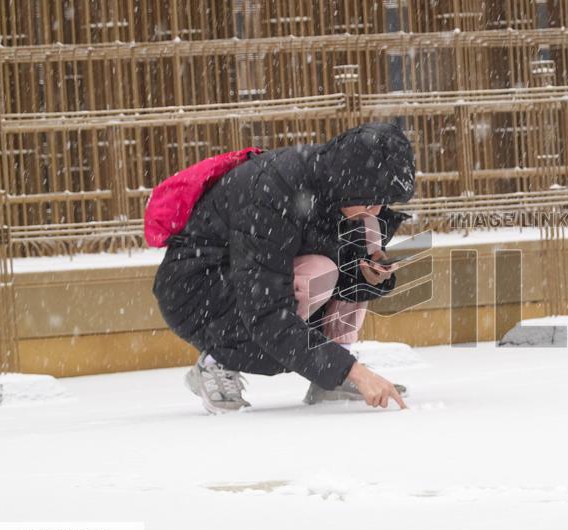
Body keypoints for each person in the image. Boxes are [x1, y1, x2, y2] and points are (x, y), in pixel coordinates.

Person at [152, 123, 414, 414]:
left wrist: (369, 274)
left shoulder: (338, 192)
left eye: (383, 201)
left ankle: (332, 379)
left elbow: (344, 273)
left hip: (255, 284)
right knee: (319, 272)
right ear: (349, 183)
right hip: (199, 291)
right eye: (371, 200)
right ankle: (216, 362)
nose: (377, 210)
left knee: (353, 260)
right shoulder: (272, 193)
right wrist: (355, 371)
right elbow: (266, 312)